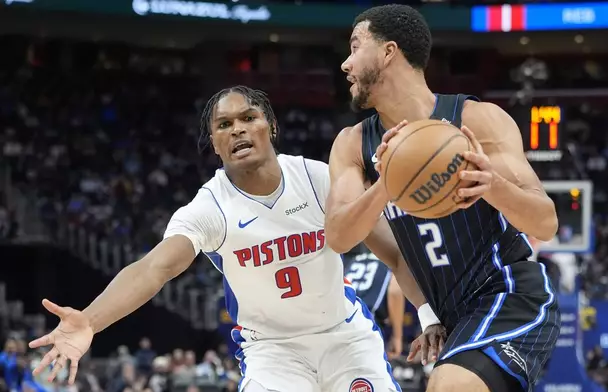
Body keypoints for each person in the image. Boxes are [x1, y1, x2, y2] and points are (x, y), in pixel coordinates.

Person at [27, 86, 432, 392]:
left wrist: (428, 315)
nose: (237, 128)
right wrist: (90, 321)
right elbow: (155, 268)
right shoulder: (211, 207)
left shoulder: (318, 177)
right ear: (215, 144)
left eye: (248, 117)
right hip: (273, 353)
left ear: (271, 126)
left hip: (344, 337)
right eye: (224, 125)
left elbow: (394, 254)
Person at [325, 4, 561, 392]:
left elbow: (546, 223)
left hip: (510, 293)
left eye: (355, 47)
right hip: (455, 314)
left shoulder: (477, 119)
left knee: (449, 385)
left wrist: (492, 185)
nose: (345, 65)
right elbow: (343, 237)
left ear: (389, 52)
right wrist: (427, 314)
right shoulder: (353, 145)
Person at [343, 243, 406, 357]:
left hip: (341, 323)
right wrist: (397, 336)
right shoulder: (388, 263)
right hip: (366, 326)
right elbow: (395, 291)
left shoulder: (352, 261)